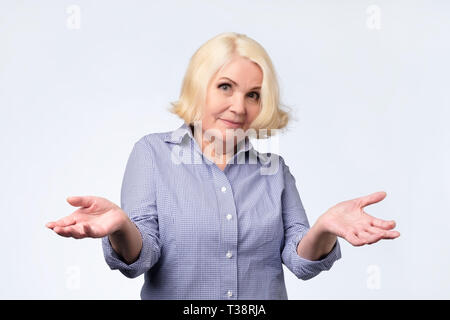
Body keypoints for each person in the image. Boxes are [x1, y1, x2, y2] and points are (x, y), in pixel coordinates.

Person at [46, 32, 400, 299]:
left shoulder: (274, 170)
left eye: (253, 95)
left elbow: (299, 261)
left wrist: (323, 227)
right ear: (200, 87)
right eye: (225, 87)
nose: (239, 107)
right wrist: (121, 225)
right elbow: (141, 257)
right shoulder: (152, 153)